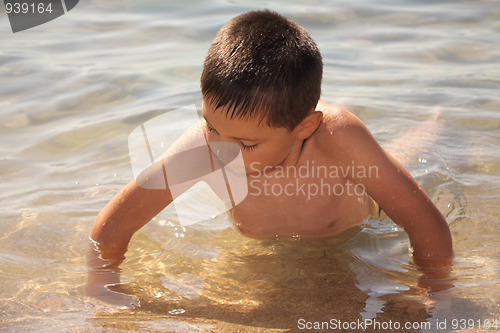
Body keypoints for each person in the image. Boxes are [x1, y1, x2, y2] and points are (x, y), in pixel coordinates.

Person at [86, 10, 453, 305]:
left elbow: (426, 224)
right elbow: (113, 227)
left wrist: (432, 289)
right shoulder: (204, 146)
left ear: (305, 128)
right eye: (209, 126)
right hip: (276, 240)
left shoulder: (336, 138)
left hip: (358, 230)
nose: (220, 151)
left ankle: (436, 119)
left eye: (246, 145)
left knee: (397, 160)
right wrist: (102, 288)